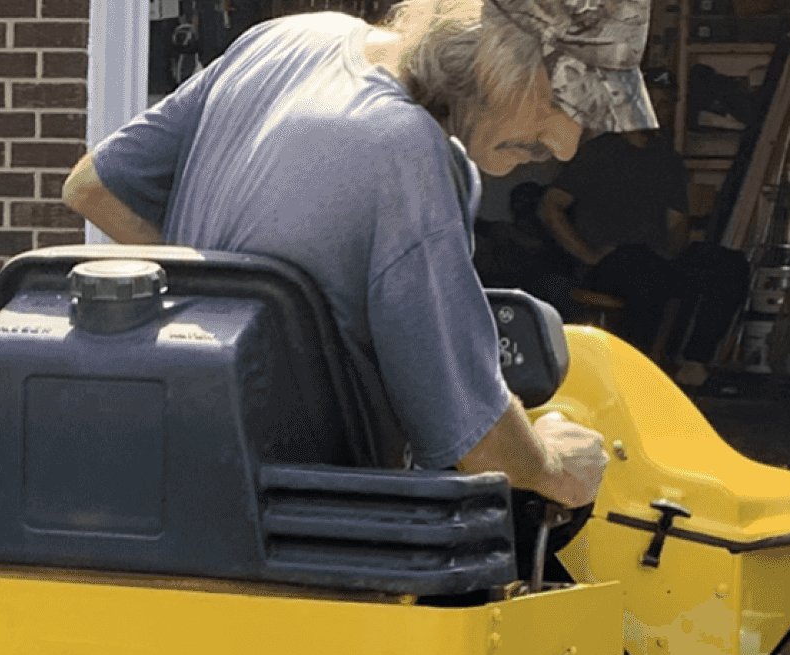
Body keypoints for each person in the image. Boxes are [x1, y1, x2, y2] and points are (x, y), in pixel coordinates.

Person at [63, 0, 655, 512]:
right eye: (563, 101)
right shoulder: (408, 152)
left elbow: (95, 186)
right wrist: (550, 461)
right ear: (502, 59)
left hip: (179, 473)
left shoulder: (290, 39)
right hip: (313, 524)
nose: (565, 143)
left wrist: (212, 318)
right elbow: (474, 445)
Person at [537, 104, 750, 386]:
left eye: (663, 102)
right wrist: (588, 256)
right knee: (639, 264)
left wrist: (674, 252)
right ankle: (638, 374)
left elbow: (677, 223)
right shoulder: (598, 153)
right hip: (611, 261)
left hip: (657, 258)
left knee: (727, 264)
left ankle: (693, 362)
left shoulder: (666, 158)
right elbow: (550, 207)